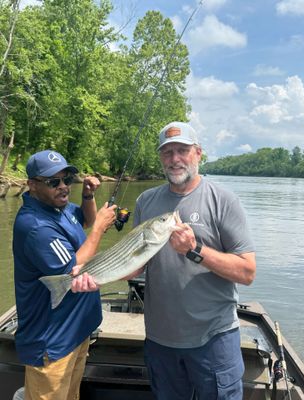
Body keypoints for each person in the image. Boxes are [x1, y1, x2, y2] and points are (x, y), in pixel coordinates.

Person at [73, 121, 256, 400]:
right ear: (160, 158)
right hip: (160, 340)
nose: (175, 159)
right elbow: (135, 264)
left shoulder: (224, 200)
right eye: (167, 153)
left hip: (214, 338)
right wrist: (92, 275)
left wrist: (195, 251)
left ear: (198, 153)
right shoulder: (147, 200)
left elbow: (247, 272)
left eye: (182, 150)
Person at [13, 149, 117, 400]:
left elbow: (85, 220)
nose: (63, 187)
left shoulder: (60, 208)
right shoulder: (35, 226)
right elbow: (72, 269)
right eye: (53, 182)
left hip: (76, 331)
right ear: (32, 185)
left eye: (67, 180)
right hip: (52, 342)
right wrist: (101, 229)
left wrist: (88, 195)